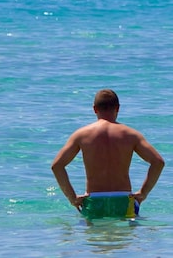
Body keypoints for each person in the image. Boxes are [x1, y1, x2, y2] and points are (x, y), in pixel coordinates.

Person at [51, 89, 165, 220]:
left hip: (94, 200)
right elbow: (158, 162)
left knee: (95, 239)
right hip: (123, 200)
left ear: (94, 109)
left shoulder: (81, 135)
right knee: (123, 239)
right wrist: (143, 193)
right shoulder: (131, 135)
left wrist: (72, 198)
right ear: (117, 108)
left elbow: (57, 166)